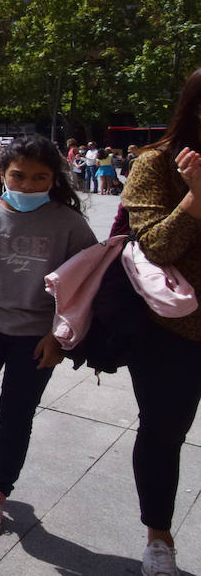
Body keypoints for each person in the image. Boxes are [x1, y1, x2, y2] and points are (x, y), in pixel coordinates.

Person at [0, 134, 96, 536]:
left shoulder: (69, 223)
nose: (28, 185)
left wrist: (58, 337)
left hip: (36, 336)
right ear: (1, 173)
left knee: (16, 415)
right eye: (19, 175)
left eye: (40, 177)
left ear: (54, 179)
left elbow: (84, 286)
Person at [120, 68, 201, 576]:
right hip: (171, 331)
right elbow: (156, 246)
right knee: (163, 432)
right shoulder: (155, 163)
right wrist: (196, 196)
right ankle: (159, 537)